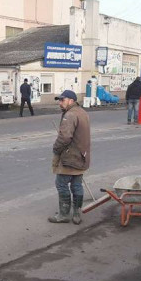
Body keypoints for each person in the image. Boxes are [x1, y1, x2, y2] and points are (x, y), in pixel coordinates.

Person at [49, 90, 91, 225]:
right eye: (59, 100)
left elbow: (65, 137)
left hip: (70, 157)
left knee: (61, 184)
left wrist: (56, 149)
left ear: (71, 101)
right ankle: (77, 214)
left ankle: (64, 214)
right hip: (82, 156)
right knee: (76, 184)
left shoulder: (70, 115)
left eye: (63, 100)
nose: (60, 103)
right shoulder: (82, 112)